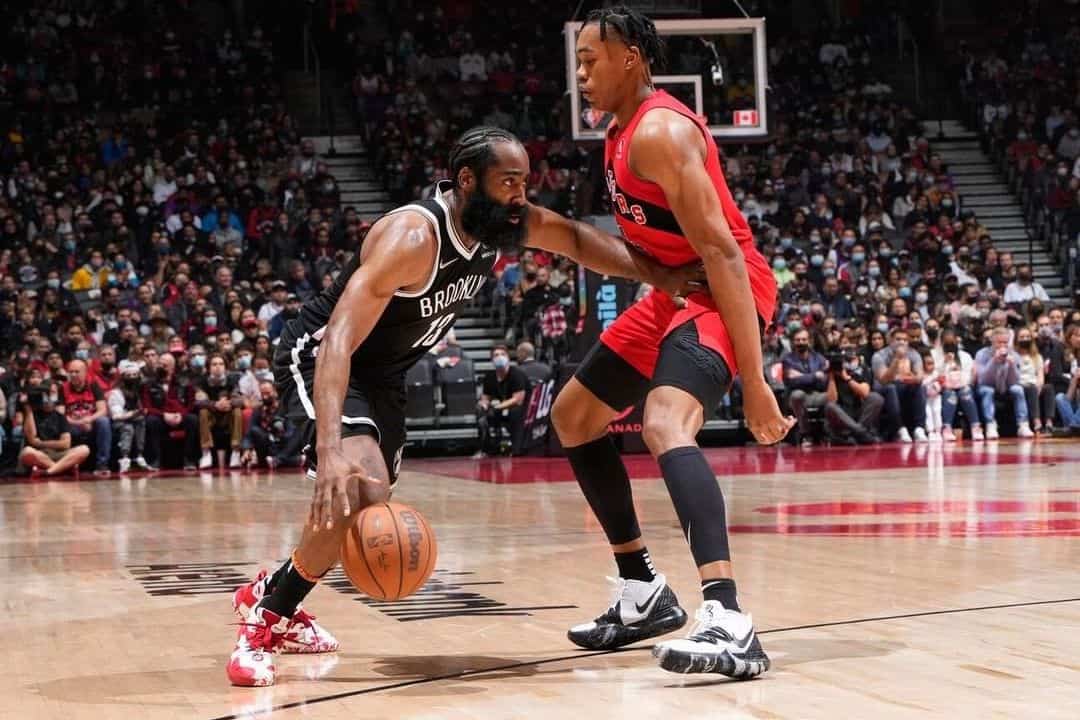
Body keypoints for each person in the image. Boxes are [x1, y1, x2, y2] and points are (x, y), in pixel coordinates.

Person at [224, 125, 704, 687]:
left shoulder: (500, 221)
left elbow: (576, 240)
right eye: (509, 182)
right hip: (323, 355)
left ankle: (269, 592)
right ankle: (262, 623)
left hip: (385, 375)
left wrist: (661, 275)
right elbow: (339, 339)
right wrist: (328, 448)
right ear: (468, 180)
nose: (521, 195)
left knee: (370, 498)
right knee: (355, 487)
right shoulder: (412, 236)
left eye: (524, 182)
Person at [552, 7, 790, 680]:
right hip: (675, 293)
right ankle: (644, 591)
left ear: (630, 57)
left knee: (663, 422)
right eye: (578, 62)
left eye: (590, 60)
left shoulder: (660, 132)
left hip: (727, 288)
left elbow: (724, 254)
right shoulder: (618, 130)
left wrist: (755, 381)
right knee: (574, 416)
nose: (580, 74)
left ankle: (730, 619)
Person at [974, 327, 1034, 439]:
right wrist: (993, 361)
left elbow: (1015, 381)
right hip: (987, 387)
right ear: (992, 341)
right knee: (988, 391)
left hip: (1005, 387)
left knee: (1018, 390)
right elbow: (982, 380)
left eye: (1005, 342)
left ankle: (1023, 425)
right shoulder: (981, 354)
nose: (1002, 345)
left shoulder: (1014, 355)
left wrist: (1011, 366)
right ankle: (990, 425)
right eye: (999, 342)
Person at [18, 386, 90, 476]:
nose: (48, 400)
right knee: (27, 452)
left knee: (84, 449)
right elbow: (32, 440)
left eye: (51, 394)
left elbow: (66, 444)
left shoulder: (60, 417)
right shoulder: (32, 415)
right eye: (45, 395)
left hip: (60, 454)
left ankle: (49, 471)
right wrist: (28, 408)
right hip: (40, 454)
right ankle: (62, 469)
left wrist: (40, 443)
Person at [872, 327, 928, 442]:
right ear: (890, 341)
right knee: (891, 387)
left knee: (920, 387)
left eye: (905, 340)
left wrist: (904, 378)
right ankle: (900, 429)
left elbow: (919, 377)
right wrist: (897, 359)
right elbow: (884, 380)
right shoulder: (879, 355)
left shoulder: (913, 354)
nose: (902, 342)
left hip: (904, 385)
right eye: (898, 339)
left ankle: (919, 429)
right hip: (883, 389)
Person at [60, 359, 112, 474]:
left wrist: (89, 419)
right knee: (68, 429)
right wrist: (80, 423)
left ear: (85, 372)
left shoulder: (94, 386)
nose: (73, 375)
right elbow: (60, 415)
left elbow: (103, 410)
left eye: (76, 372)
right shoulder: (63, 388)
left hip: (91, 423)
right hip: (73, 424)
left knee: (104, 422)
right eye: (71, 372)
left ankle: (102, 465)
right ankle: (71, 465)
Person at [824, 343, 883, 444]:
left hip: (859, 413)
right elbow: (832, 400)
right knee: (830, 406)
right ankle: (861, 433)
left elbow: (865, 393)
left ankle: (855, 433)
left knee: (876, 398)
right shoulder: (830, 373)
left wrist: (847, 378)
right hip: (841, 415)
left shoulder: (863, 369)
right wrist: (832, 377)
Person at [476, 345, 529, 456]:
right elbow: (485, 398)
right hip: (501, 407)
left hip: (523, 408)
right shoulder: (490, 377)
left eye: (502, 354)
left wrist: (497, 407)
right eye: (496, 355)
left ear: (508, 358)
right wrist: (483, 405)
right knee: (482, 414)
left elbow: (518, 399)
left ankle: (517, 449)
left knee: (515, 412)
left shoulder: (516, 374)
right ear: (492, 360)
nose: (499, 357)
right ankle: (487, 449)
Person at [933, 330, 982, 441]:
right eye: (947, 343)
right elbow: (934, 374)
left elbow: (969, 376)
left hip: (962, 385)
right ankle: (947, 428)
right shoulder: (935, 355)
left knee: (966, 393)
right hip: (944, 387)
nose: (950, 346)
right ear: (942, 342)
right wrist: (944, 363)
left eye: (952, 343)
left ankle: (975, 427)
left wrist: (961, 383)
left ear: (956, 341)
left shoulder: (965, 356)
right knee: (950, 395)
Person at [782, 328, 828, 446]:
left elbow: (824, 381)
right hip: (796, 396)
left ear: (809, 341)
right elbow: (791, 382)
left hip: (816, 394)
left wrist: (801, 376)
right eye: (798, 340)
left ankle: (828, 432)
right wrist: (814, 376)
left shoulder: (818, 358)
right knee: (797, 395)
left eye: (803, 339)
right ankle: (805, 433)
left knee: (832, 396)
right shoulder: (787, 360)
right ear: (793, 342)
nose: (801, 342)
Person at [197, 354, 244, 469]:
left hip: (227, 415)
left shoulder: (233, 380)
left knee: (237, 411)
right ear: (208, 368)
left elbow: (240, 400)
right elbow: (198, 401)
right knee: (203, 411)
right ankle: (206, 453)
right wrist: (215, 405)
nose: (218, 367)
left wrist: (229, 403)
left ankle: (236, 452)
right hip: (212, 416)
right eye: (214, 364)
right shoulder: (202, 381)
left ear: (225, 367)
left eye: (221, 364)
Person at [108, 360, 149, 473]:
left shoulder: (139, 392)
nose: (132, 378)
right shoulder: (116, 393)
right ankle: (124, 459)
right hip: (119, 421)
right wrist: (131, 414)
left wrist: (141, 412)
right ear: (122, 377)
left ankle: (139, 456)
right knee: (128, 427)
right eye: (129, 375)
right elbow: (116, 416)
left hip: (135, 419)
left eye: (135, 375)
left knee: (141, 421)